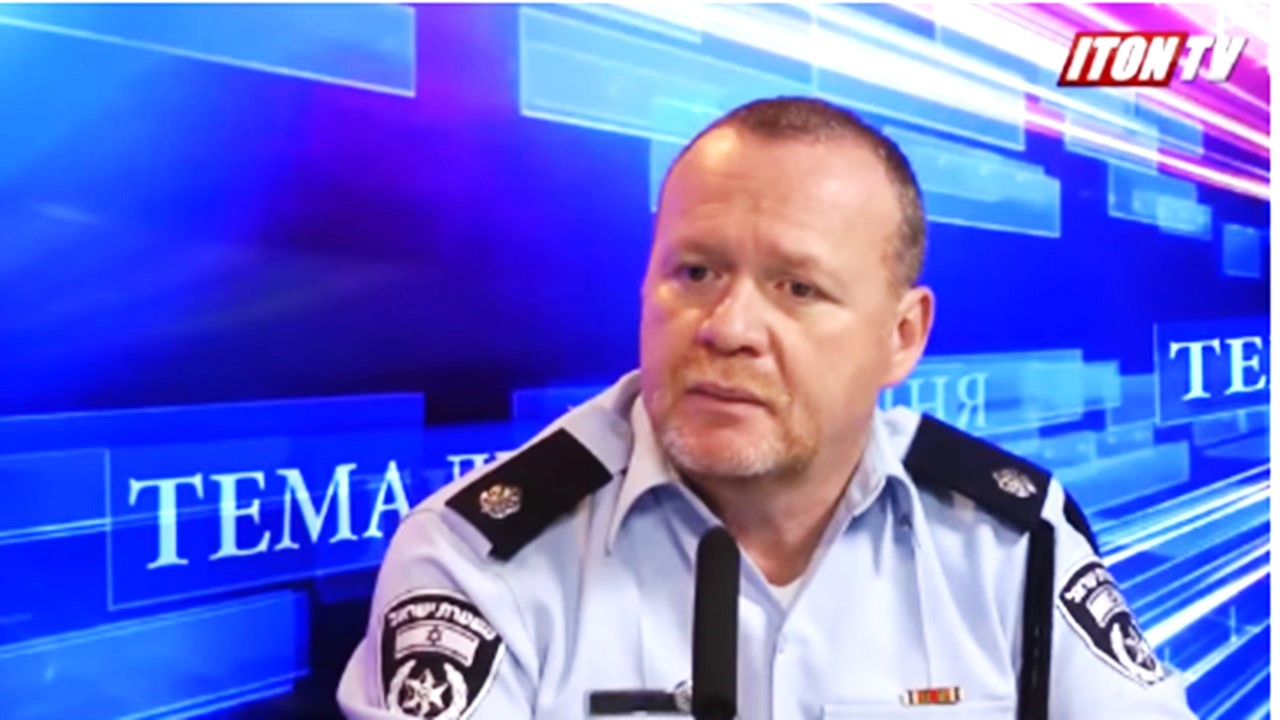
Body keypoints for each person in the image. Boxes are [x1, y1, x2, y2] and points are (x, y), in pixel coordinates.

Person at [336, 96, 1198, 719]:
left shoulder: (1011, 542)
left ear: (902, 336)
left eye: (797, 288)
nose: (729, 327)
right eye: (695, 272)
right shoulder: (477, 560)